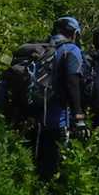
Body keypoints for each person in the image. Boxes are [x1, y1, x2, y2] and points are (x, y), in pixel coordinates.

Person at [36, 15, 87, 180]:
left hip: (34, 112)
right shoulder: (70, 50)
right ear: (74, 33)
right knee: (52, 166)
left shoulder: (41, 48)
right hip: (57, 118)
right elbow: (73, 84)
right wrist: (78, 116)